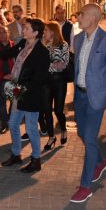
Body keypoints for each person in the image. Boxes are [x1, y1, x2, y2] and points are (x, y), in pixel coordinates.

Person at [0, 19, 50, 173]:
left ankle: (36, 159)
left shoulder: (42, 52)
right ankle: (16, 154)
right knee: (13, 123)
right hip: (19, 92)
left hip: (31, 95)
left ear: (35, 33)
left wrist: (19, 80)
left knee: (31, 128)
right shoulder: (23, 44)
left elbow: (40, 79)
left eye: (27, 28)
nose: (24, 30)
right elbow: (5, 53)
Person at [70, 4, 106, 203]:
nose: (78, 16)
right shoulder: (78, 38)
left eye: (81, 14)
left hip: (97, 98)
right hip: (80, 96)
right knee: (83, 134)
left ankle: (85, 186)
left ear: (92, 18)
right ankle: (101, 161)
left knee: (90, 139)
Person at [39, 21, 69, 150]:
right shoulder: (41, 45)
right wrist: (50, 65)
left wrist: (46, 66)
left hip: (59, 81)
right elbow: (38, 65)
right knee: (46, 110)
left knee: (58, 110)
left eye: (45, 30)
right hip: (45, 82)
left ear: (52, 31)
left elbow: (63, 64)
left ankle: (63, 129)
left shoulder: (63, 45)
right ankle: (51, 137)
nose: (43, 33)